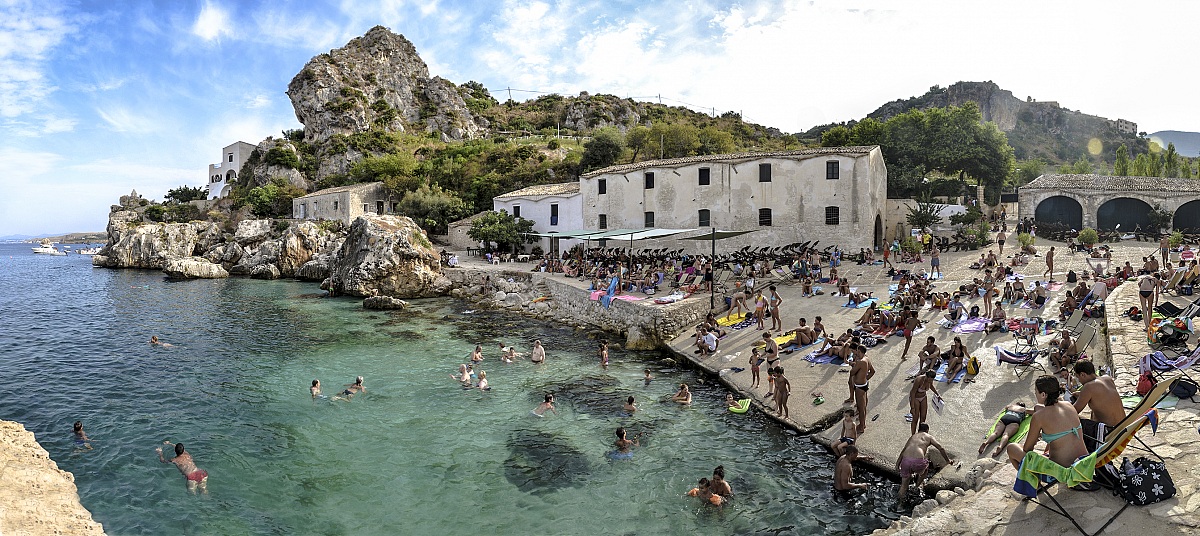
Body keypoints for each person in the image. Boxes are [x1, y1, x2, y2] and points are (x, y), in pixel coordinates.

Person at [1007, 375, 1088, 470]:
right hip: (1084, 463)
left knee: (1011, 448)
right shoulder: (1068, 405)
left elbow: (1027, 449)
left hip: (1062, 471)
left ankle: (1036, 484)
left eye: (1036, 392)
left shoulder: (1039, 416)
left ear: (1043, 395)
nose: (1035, 394)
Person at [1072, 360, 1125, 451]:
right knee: (1094, 411)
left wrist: (1062, 405)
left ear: (1083, 375)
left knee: (1071, 418)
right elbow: (1103, 396)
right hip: (1122, 428)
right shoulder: (1107, 378)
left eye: (1078, 378)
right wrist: (1082, 394)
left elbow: (1073, 411)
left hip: (1108, 432)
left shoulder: (1088, 387)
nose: (1080, 381)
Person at [896, 423, 952, 500]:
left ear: (918, 430)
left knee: (903, 486)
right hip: (917, 462)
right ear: (927, 430)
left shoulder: (912, 437)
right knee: (926, 467)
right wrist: (948, 461)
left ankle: (899, 505)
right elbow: (941, 448)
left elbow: (903, 451)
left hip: (905, 461)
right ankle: (916, 486)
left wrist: (897, 464)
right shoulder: (928, 436)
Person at [847, 350, 875, 433]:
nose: (857, 354)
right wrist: (865, 379)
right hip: (864, 384)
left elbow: (852, 372)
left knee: (860, 408)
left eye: (858, 352)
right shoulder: (867, 359)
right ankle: (863, 424)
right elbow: (872, 371)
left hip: (859, 387)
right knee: (864, 405)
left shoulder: (860, 362)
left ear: (861, 352)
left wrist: (854, 364)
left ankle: (861, 427)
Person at [909, 370, 940, 436]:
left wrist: (937, 394)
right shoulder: (919, 380)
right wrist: (912, 407)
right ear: (926, 376)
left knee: (923, 418)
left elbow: (931, 386)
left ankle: (920, 435)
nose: (930, 381)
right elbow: (912, 393)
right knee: (915, 418)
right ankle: (913, 435)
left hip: (923, 397)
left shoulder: (930, 380)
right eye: (929, 380)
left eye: (931, 380)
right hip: (916, 398)